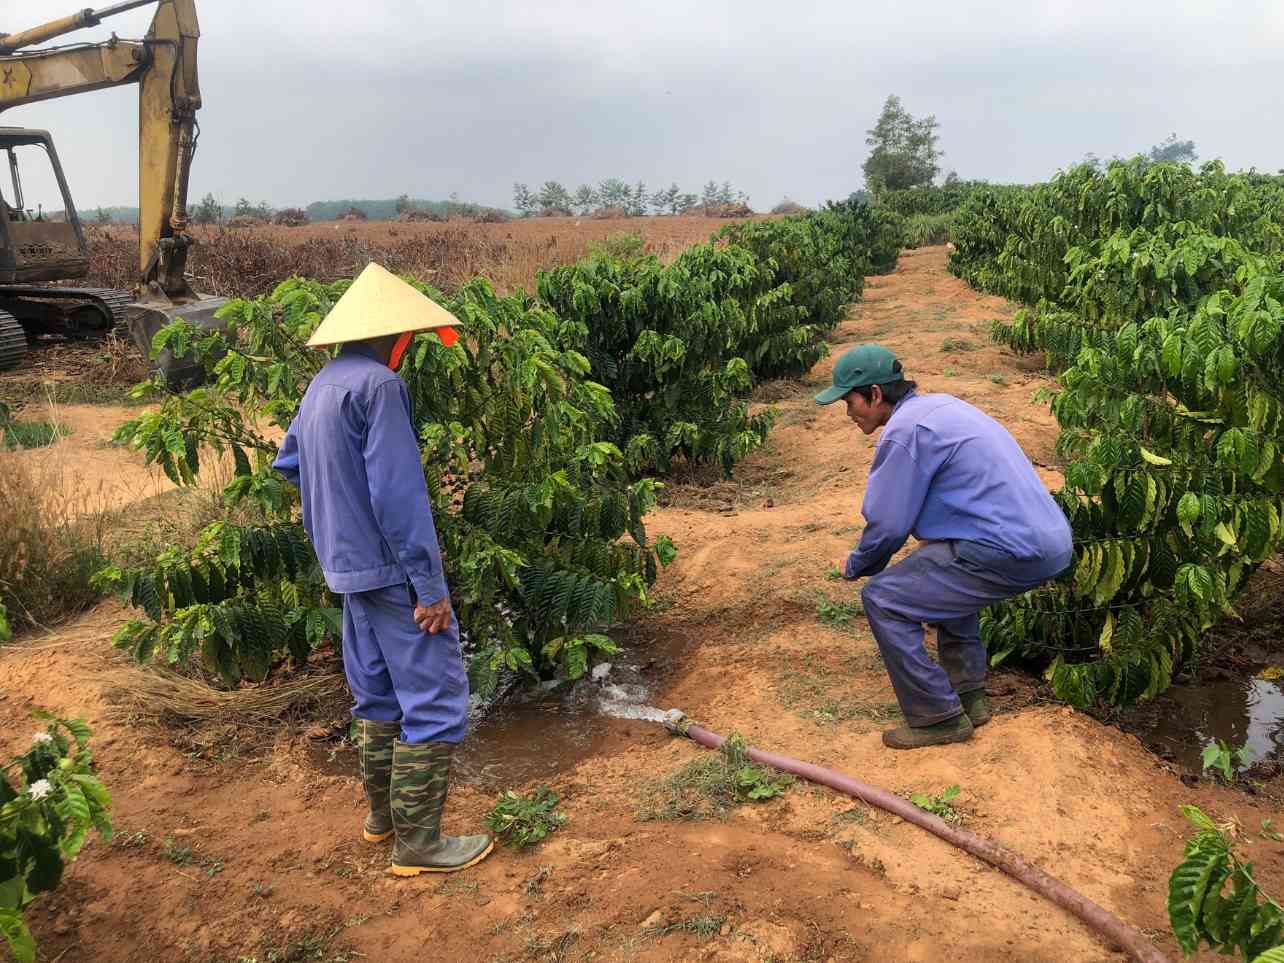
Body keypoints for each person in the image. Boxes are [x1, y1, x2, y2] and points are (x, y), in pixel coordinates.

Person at [273, 262, 493, 874]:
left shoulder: (321, 386)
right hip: (392, 572)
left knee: (375, 695)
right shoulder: (380, 387)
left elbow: (289, 464)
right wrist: (430, 588)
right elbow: (399, 498)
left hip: (346, 569)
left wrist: (335, 516)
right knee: (434, 697)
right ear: (396, 338)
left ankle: (382, 820)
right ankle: (420, 845)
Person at [815, 344, 1072, 750]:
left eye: (850, 402)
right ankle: (969, 695)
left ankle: (938, 716)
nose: (849, 413)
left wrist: (857, 564)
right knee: (941, 570)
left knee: (883, 598)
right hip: (1047, 539)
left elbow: (887, 526)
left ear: (876, 394)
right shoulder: (941, 407)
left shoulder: (905, 434)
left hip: (1009, 547)